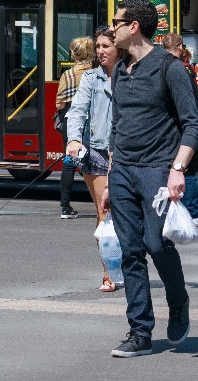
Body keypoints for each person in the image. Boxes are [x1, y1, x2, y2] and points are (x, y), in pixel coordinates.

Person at [98, 0, 198, 358]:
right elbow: (117, 125)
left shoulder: (169, 69)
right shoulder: (118, 70)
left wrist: (178, 169)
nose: (112, 28)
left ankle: (179, 302)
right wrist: (111, 177)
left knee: (156, 244)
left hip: (158, 168)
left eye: (117, 22)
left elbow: (193, 124)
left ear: (134, 27)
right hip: (123, 170)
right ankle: (140, 331)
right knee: (129, 252)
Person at [66, 26, 119, 292]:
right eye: (97, 46)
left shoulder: (131, 75)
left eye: (105, 46)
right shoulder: (91, 78)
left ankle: (124, 265)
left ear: (118, 47)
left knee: (126, 215)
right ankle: (109, 272)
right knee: (105, 213)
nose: (100, 51)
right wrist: (73, 138)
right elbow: (77, 111)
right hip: (97, 152)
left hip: (125, 153)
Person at [159, 34, 198, 228]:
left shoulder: (160, 67)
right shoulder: (181, 70)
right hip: (187, 132)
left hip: (171, 132)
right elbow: (196, 106)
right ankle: (194, 211)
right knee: (189, 172)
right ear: (180, 47)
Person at [55, 35, 95, 220]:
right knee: (96, 161)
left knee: (69, 162)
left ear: (75, 53)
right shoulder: (97, 72)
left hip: (70, 119)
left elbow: (60, 104)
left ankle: (65, 206)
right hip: (93, 119)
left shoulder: (68, 75)